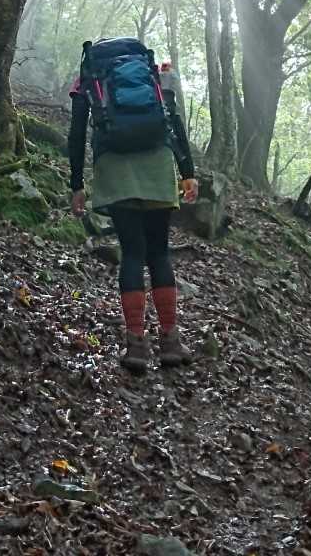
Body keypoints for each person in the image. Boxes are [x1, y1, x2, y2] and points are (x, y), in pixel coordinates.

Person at [67, 38, 198, 373]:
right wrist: (187, 172)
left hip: (115, 165)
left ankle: (136, 345)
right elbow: (173, 118)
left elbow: (77, 131)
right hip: (157, 162)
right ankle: (170, 341)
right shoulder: (151, 73)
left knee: (132, 253)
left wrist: (77, 184)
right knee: (159, 252)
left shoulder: (91, 75)